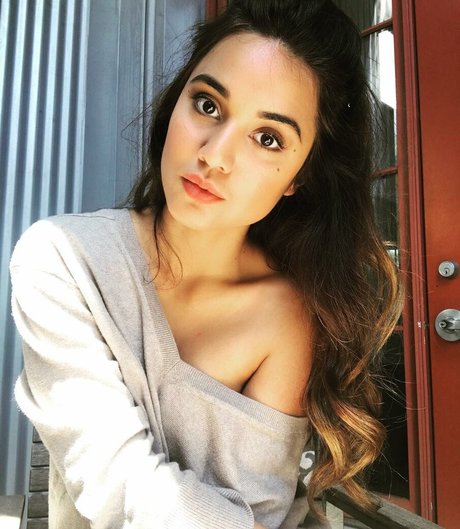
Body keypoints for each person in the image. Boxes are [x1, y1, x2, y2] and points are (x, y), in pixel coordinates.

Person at [10, 1, 402, 528]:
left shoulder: (285, 313)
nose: (215, 155)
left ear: (300, 176)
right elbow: (116, 482)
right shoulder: (63, 260)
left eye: (268, 138)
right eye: (208, 105)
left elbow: (259, 513)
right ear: (176, 103)